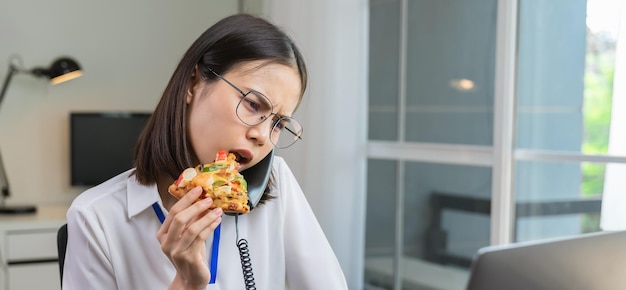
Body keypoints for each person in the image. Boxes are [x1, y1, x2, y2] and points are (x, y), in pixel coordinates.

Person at [63, 14, 348, 290]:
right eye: (252, 104)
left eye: (278, 123)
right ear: (193, 82)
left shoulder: (277, 183)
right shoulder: (95, 217)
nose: (261, 135)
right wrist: (186, 284)